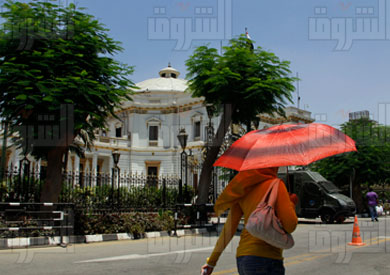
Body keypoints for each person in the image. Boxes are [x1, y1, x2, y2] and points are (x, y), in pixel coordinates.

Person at [201, 167, 298, 275]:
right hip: (268, 260)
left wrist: (211, 262)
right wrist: (291, 204)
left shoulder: (243, 188)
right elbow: (290, 225)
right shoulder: (276, 186)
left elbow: (228, 230)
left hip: (244, 258)